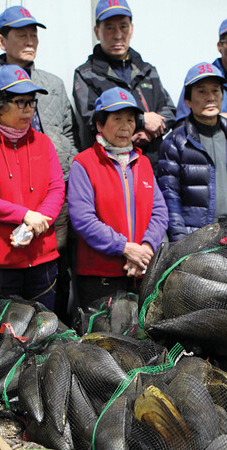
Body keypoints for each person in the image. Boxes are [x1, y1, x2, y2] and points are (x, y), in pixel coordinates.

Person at [0, 65, 64, 310]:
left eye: (31, 102)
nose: (28, 109)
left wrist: (35, 222)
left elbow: (56, 188)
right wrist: (24, 215)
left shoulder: (43, 142)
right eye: (20, 102)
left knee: (46, 336)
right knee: (7, 340)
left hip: (42, 258)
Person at [68, 87, 168, 308]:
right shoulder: (84, 164)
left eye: (131, 120)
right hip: (100, 276)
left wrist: (146, 248)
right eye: (117, 119)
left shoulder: (142, 163)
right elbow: (83, 219)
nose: (125, 126)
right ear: (99, 125)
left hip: (141, 271)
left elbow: (159, 212)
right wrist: (125, 248)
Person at [0, 5, 76, 175]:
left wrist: (68, 172)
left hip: (56, 181)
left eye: (34, 36)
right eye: (22, 36)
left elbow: (69, 135)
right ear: (2, 41)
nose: (30, 42)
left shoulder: (53, 84)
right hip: (5, 183)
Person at [159, 62, 227, 243]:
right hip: (197, 238)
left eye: (215, 91)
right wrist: (181, 244)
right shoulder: (175, 142)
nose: (210, 97)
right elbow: (171, 199)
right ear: (188, 100)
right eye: (202, 92)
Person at [73, 0, 176, 164]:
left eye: (123, 26)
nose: (118, 35)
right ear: (97, 32)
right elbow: (93, 118)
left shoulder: (147, 70)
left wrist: (149, 132)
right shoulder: (86, 74)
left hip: (152, 164)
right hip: (110, 165)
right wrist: (142, 121)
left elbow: (170, 110)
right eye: (109, 27)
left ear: (132, 29)